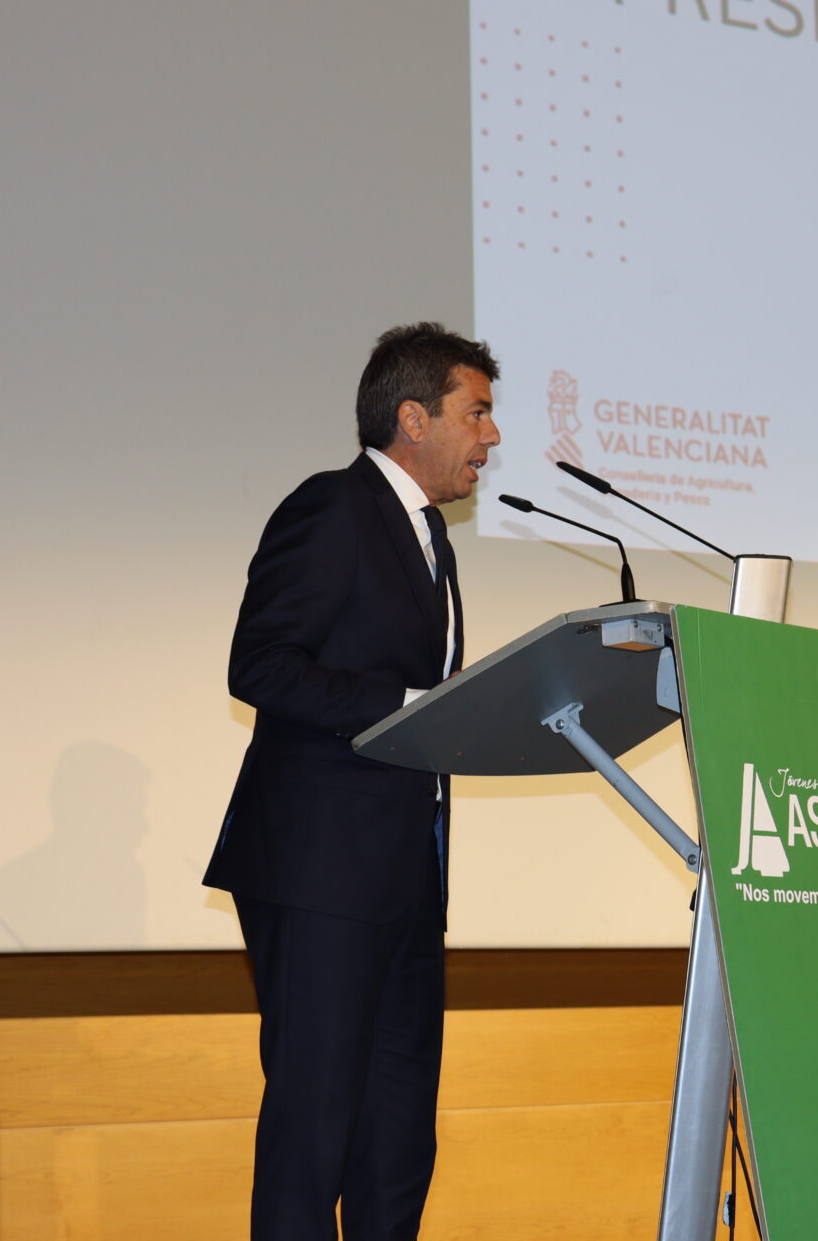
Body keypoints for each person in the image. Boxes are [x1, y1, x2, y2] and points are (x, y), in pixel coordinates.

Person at [205, 321, 500, 1239]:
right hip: (322, 873)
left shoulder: (432, 540)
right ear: (413, 418)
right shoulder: (333, 507)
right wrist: (410, 704)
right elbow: (260, 664)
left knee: (397, 1143)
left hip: (406, 882)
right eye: (476, 413)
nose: (491, 436)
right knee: (315, 1129)